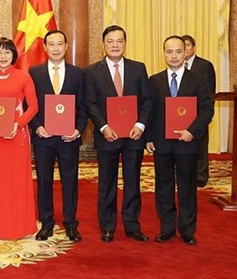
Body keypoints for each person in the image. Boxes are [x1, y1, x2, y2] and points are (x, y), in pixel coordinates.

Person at [84, 25, 153, 243]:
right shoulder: (92, 71)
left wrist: (141, 125)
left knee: (132, 181)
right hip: (107, 136)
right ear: (103, 44)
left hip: (133, 135)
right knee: (107, 182)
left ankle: (132, 225)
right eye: (110, 41)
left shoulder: (138, 68)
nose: (115, 45)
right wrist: (104, 127)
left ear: (125, 43)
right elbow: (90, 103)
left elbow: (148, 100)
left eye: (119, 41)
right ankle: (107, 226)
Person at [146, 35, 214, 245]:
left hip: (187, 142)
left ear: (185, 53)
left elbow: (207, 110)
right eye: (169, 51)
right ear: (163, 53)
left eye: (178, 51)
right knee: (163, 187)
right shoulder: (154, 81)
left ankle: (187, 230)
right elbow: (148, 110)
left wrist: (192, 131)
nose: (173, 56)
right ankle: (166, 228)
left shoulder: (198, 80)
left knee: (187, 187)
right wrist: (148, 137)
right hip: (161, 142)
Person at [29, 30, 87, 242]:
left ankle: (71, 223)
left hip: (68, 138)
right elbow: (29, 105)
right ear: (45, 47)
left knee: (70, 181)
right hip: (43, 138)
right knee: (44, 181)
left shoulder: (78, 73)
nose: (55, 48)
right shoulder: (34, 73)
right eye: (51, 44)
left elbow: (83, 106)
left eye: (59, 44)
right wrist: (36, 127)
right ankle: (46, 223)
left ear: (65, 46)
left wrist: (78, 130)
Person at [0, 37, 38, 240]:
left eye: (7, 52)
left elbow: (33, 107)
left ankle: (20, 226)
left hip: (16, 136)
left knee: (16, 180)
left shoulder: (24, 77)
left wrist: (19, 123)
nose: (3, 56)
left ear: (13, 55)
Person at [182, 34, 216, 188]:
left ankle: (201, 176)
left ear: (193, 47)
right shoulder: (177, 64)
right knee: (182, 146)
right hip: (181, 113)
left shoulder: (205, 65)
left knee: (201, 144)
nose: (186, 48)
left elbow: (209, 90)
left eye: (188, 45)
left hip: (199, 112)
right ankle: (184, 174)